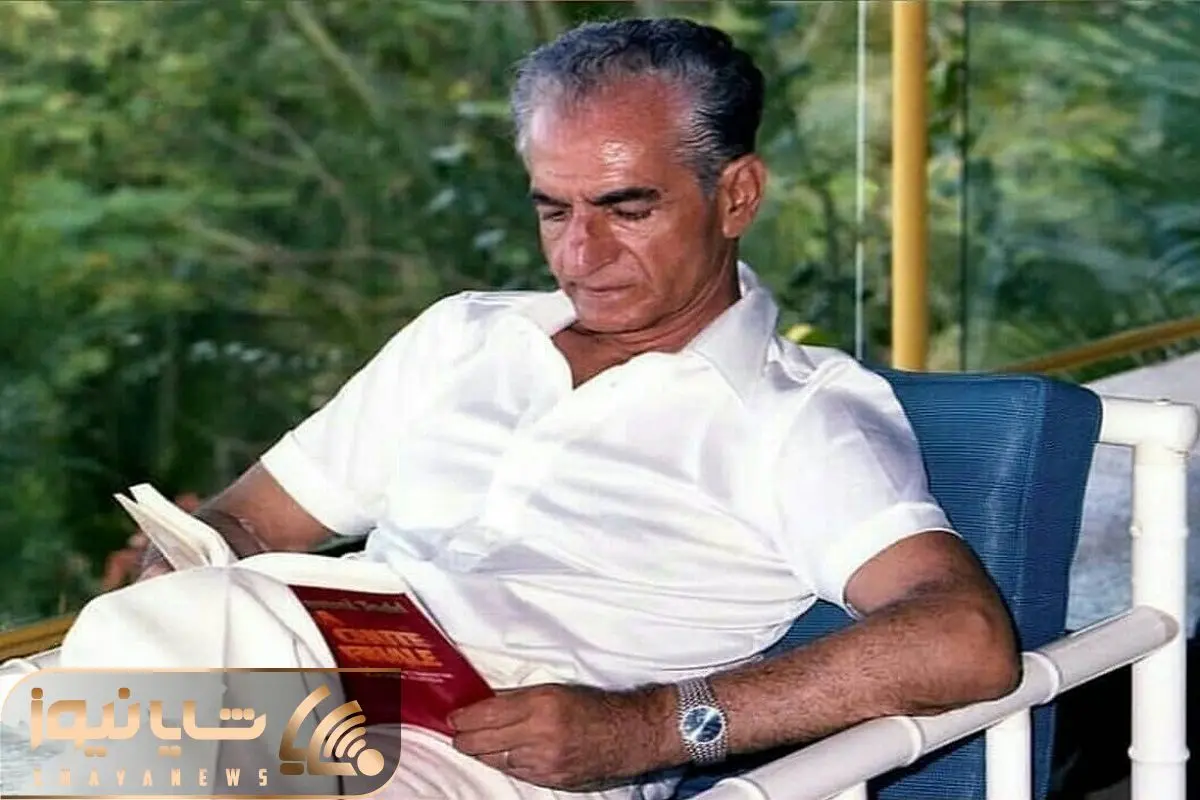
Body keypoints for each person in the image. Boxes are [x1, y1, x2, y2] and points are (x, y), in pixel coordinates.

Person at [59, 17, 1020, 800]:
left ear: (736, 196)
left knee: (119, 711)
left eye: (627, 208)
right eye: (555, 210)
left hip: (487, 760)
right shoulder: (464, 337)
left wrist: (651, 726)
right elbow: (252, 520)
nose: (579, 255)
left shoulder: (794, 416)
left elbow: (965, 640)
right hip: (314, 687)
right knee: (115, 683)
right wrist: (182, 556)